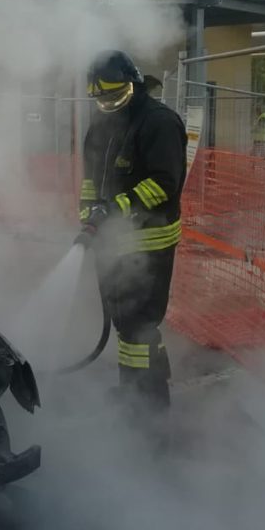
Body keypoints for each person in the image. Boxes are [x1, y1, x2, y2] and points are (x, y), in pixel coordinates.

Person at [74, 50, 188, 435]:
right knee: (126, 323)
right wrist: (89, 212)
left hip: (149, 242)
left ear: (134, 84)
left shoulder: (158, 122)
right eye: (101, 97)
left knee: (140, 325)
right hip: (114, 241)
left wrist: (115, 209)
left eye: (114, 94)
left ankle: (149, 408)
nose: (108, 103)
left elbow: (164, 183)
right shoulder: (102, 123)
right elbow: (91, 178)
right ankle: (134, 393)